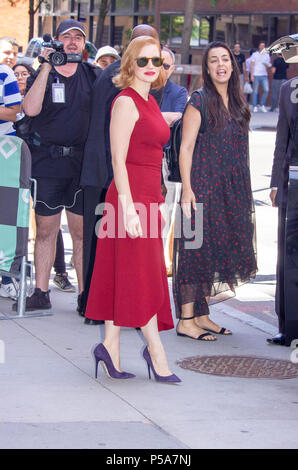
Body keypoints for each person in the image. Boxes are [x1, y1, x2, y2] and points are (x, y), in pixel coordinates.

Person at [85, 35, 181, 383]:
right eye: (143, 61)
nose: (151, 67)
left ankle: (110, 346)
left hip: (148, 196)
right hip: (128, 199)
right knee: (141, 276)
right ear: (129, 64)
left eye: (157, 61)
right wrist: (126, 209)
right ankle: (156, 352)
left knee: (124, 271)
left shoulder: (149, 101)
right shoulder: (125, 101)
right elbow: (118, 159)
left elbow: (150, 138)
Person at [79, 24, 166, 325]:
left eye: (156, 57)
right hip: (110, 171)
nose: (151, 63)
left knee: (110, 247)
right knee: (104, 246)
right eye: (145, 55)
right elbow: (115, 133)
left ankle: (102, 313)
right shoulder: (118, 78)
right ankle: (97, 308)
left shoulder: (139, 80)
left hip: (117, 173)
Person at [12, 19, 101, 313]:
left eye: (78, 37)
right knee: (47, 230)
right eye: (67, 37)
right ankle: (41, 291)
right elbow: (31, 109)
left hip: (80, 165)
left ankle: (84, 295)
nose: (73, 42)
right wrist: (47, 66)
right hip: (47, 163)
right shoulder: (43, 73)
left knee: (81, 233)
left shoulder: (91, 74)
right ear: (57, 41)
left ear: (85, 44)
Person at [173, 41, 257, 341]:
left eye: (225, 59)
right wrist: (187, 190)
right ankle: (185, 319)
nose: (221, 64)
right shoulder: (198, 99)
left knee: (210, 253)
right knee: (194, 252)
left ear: (232, 66)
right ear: (207, 69)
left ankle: (202, 315)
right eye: (213, 60)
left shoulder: (236, 101)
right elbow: (186, 147)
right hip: (201, 188)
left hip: (229, 191)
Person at [267, 75, 298, 345]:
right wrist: (276, 181)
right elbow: (282, 138)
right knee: (287, 258)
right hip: (292, 185)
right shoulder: (288, 89)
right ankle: (288, 328)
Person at [160, 46, 188, 275]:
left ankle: (160, 261)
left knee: (165, 214)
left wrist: (143, 117)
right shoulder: (137, 89)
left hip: (166, 160)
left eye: (166, 65)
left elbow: (178, 119)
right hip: (136, 160)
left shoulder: (179, 92)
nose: (160, 69)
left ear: (173, 69)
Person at [0, 62, 21, 300]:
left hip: (4, 151)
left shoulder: (4, 72)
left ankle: (7, 276)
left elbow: (14, 110)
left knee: (5, 217)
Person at [250, 41, 272, 112]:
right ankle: (255, 106)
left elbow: (269, 66)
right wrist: (251, 75)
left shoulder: (266, 55)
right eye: (261, 45)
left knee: (266, 90)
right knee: (255, 91)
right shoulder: (254, 54)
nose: (262, 47)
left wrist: (267, 64)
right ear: (259, 46)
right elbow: (252, 65)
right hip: (256, 74)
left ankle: (262, 105)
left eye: (264, 46)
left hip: (264, 75)